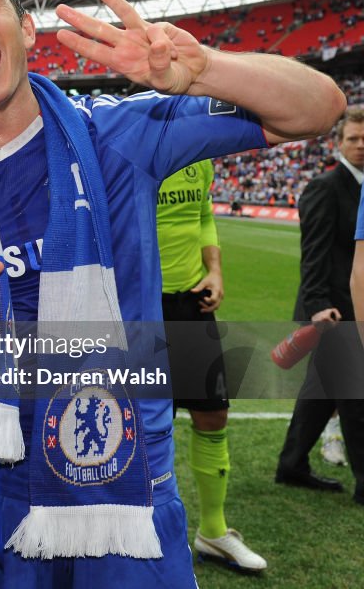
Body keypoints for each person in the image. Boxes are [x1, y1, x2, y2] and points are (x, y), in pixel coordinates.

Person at [0, 0, 345, 587]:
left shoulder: (119, 135)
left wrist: (206, 70)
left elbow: (318, 108)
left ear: (25, 30)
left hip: (123, 475)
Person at [157, 160, 266, 571]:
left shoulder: (200, 158)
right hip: (140, 305)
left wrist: (215, 270)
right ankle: (146, 529)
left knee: (212, 413)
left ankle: (213, 532)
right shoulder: (130, 145)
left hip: (191, 304)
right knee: (149, 422)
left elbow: (203, 215)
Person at [281, 107, 364, 505]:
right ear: (339, 144)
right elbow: (312, 253)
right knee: (354, 393)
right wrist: (317, 305)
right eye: (353, 139)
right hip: (332, 311)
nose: (361, 145)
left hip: (353, 306)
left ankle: (292, 465)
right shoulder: (326, 187)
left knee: (321, 393)